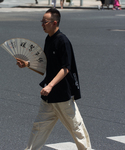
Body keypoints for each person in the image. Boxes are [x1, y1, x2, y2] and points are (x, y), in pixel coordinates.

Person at [16, 8, 92, 150]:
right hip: (48, 96)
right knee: (38, 127)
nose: (42, 24)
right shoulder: (49, 39)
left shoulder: (63, 41)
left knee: (77, 128)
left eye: (45, 22)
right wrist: (26, 64)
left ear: (54, 22)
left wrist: (50, 85)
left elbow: (66, 68)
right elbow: (45, 63)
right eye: (42, 21)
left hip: (62, 95)